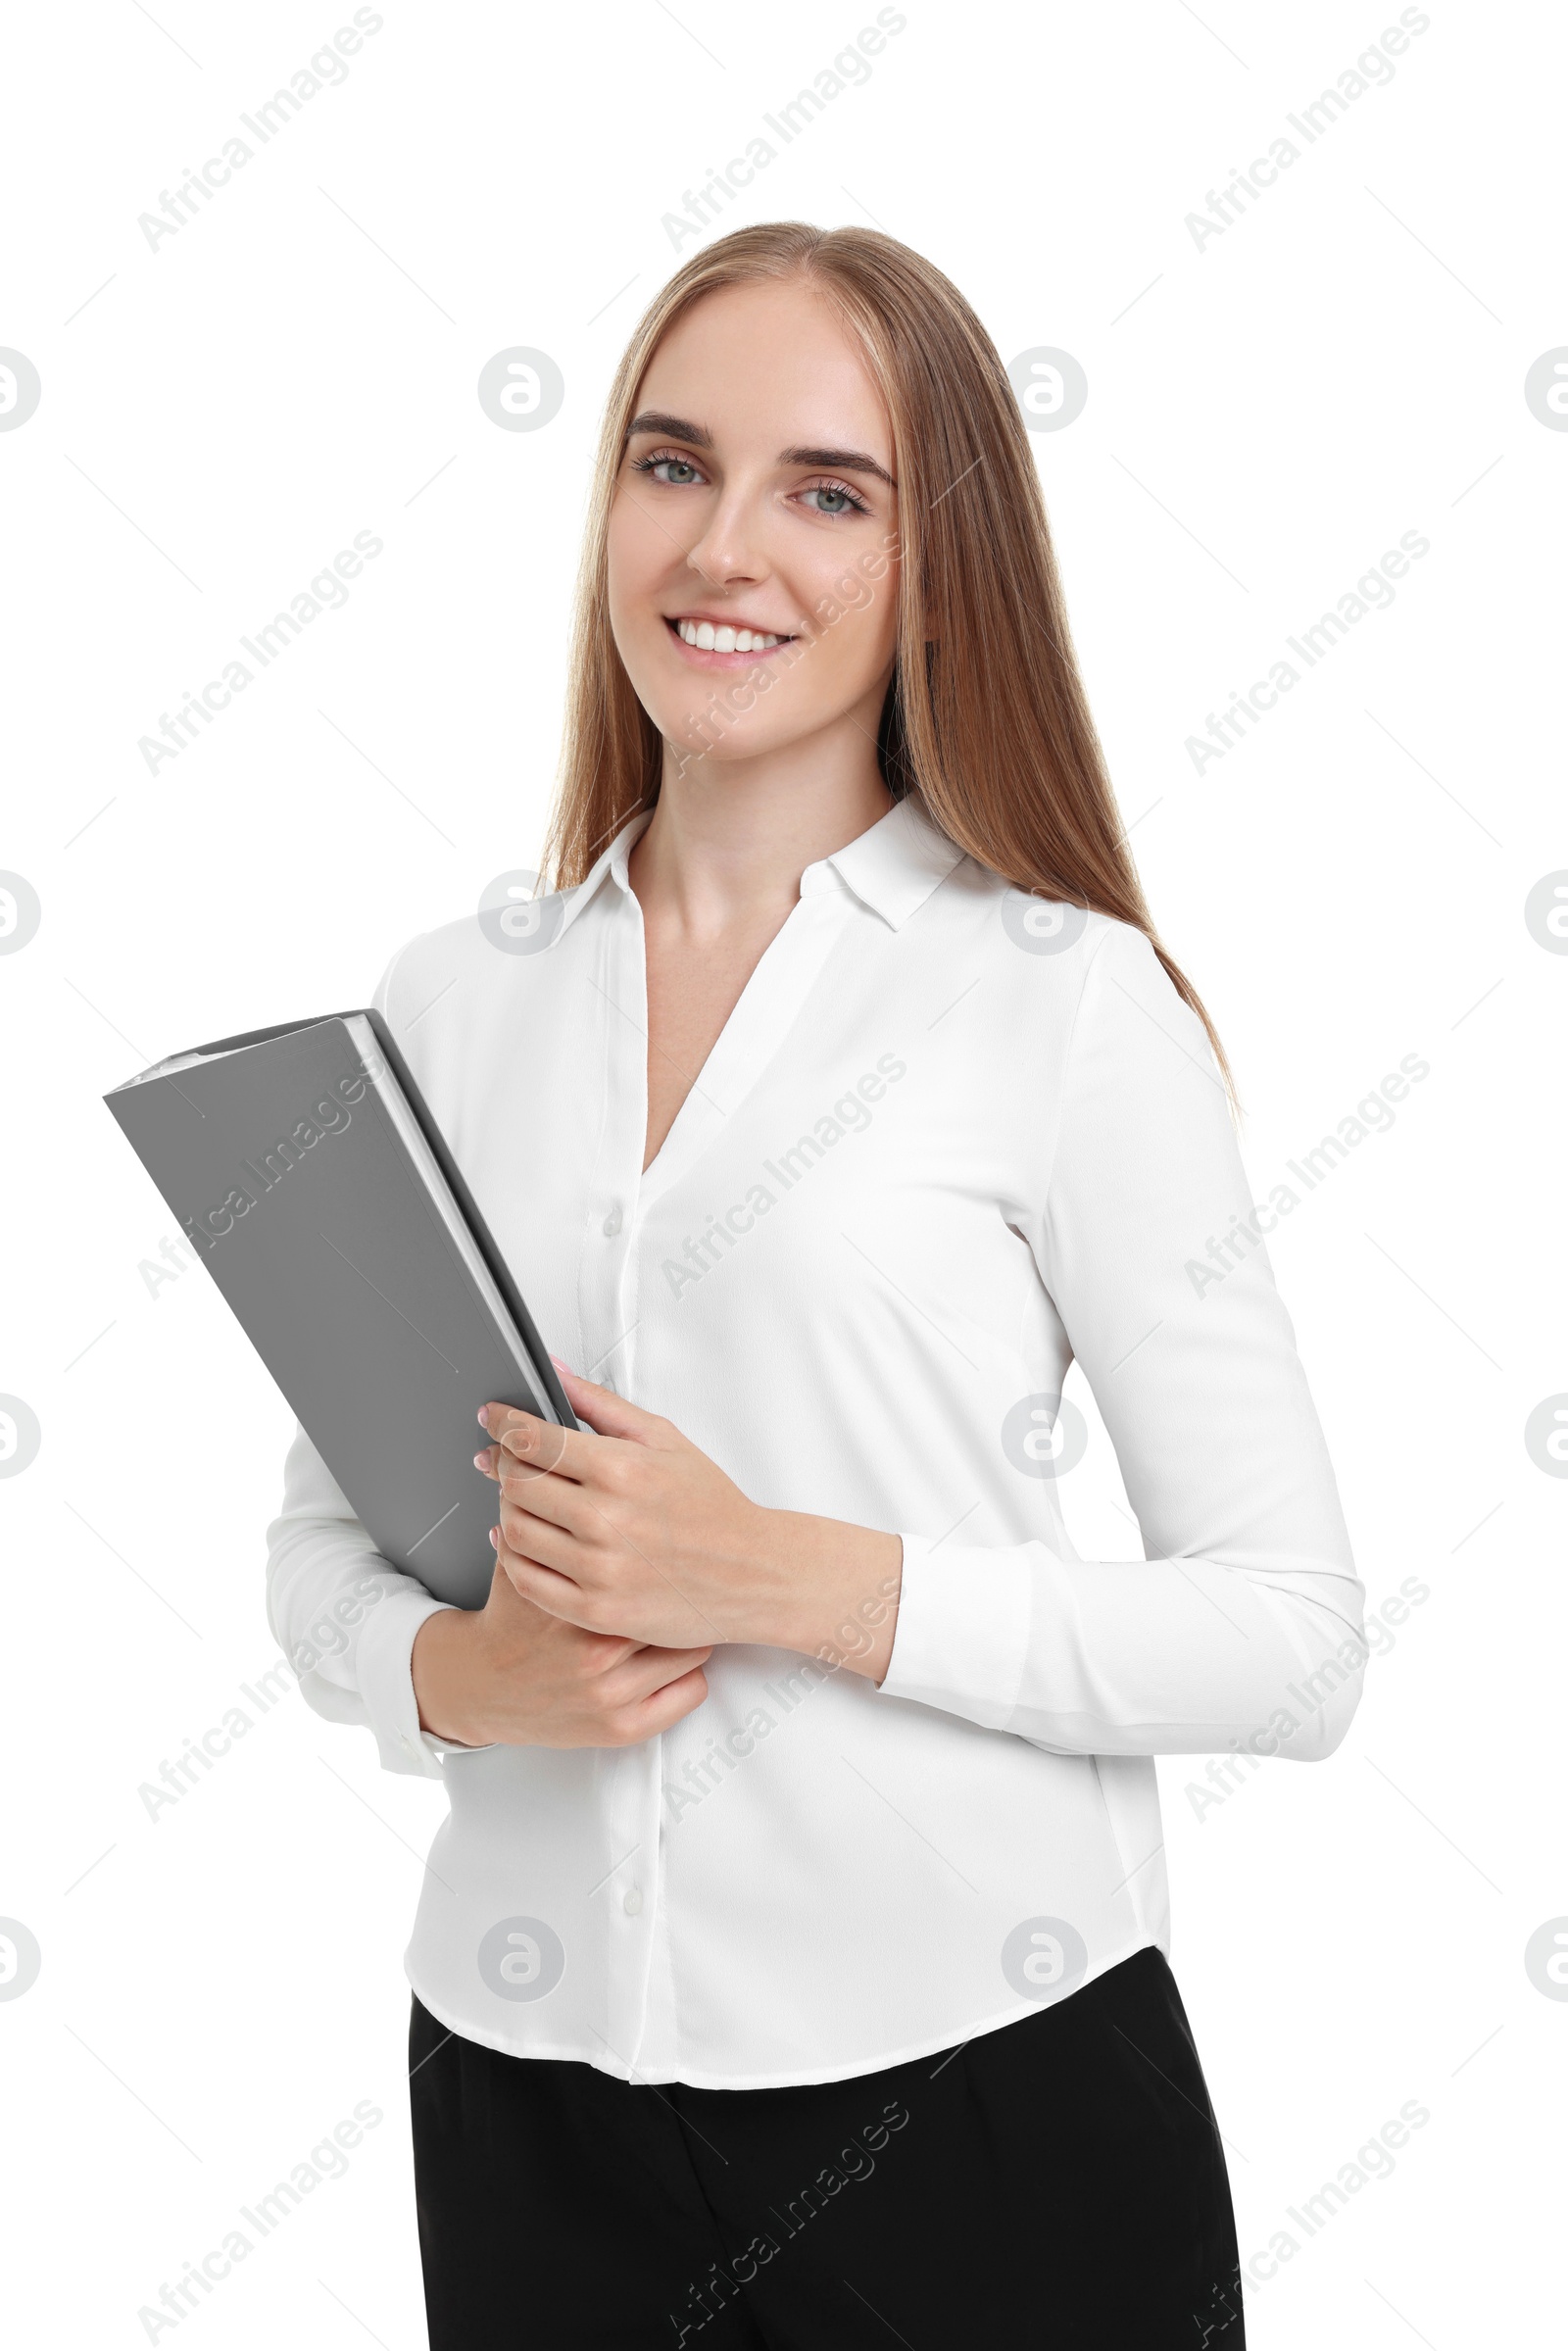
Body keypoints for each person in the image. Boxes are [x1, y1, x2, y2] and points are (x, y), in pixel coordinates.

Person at [267, 221, 1366, 2346]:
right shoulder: (447, 1003)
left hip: (981, 2102)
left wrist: (783, 1575)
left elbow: (1290, 1640)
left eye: (825, 490)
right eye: (670, 464)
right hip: (522, 2100)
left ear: (932, 556)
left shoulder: (1061, 1006)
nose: (724, 546)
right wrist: (446, 1682)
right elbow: (320, 1543)